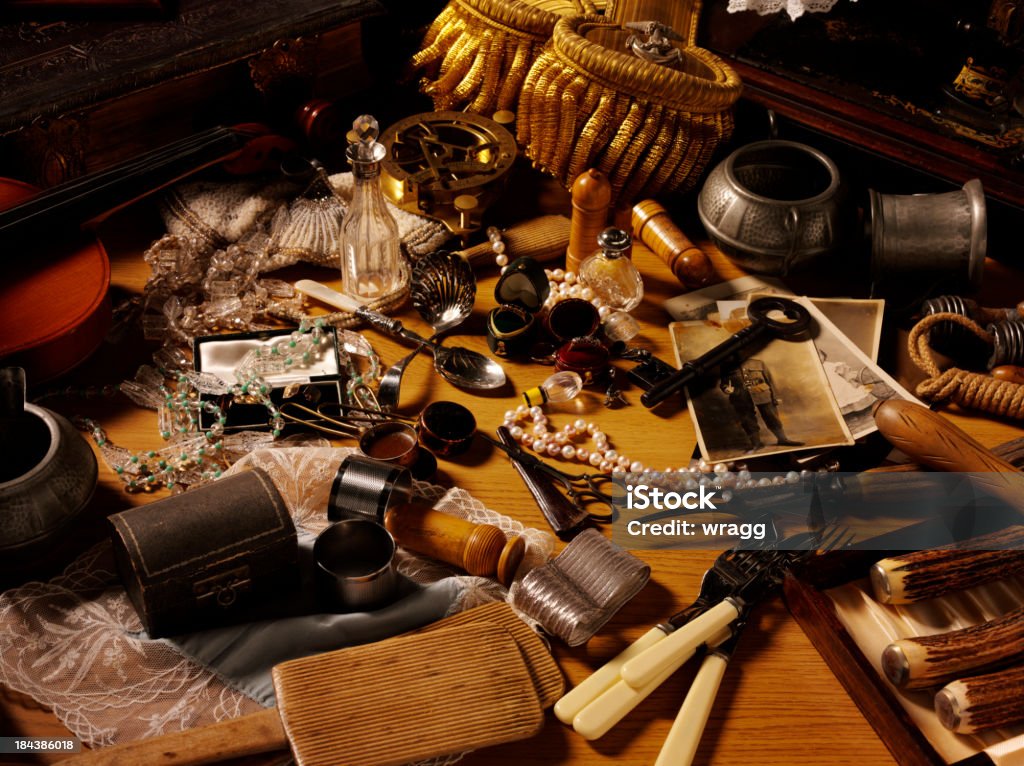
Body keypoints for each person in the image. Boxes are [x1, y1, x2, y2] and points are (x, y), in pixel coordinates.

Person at [719, 355, 804, 452]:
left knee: (772, 417)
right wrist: (726, 389)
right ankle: (756, 444)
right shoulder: (726, 367)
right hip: (740, 396)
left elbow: (770, 380)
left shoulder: (758, 363)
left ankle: (783, 439)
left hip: (762, 394)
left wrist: (776, 397)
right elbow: (723, 383)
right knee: (747, 421)